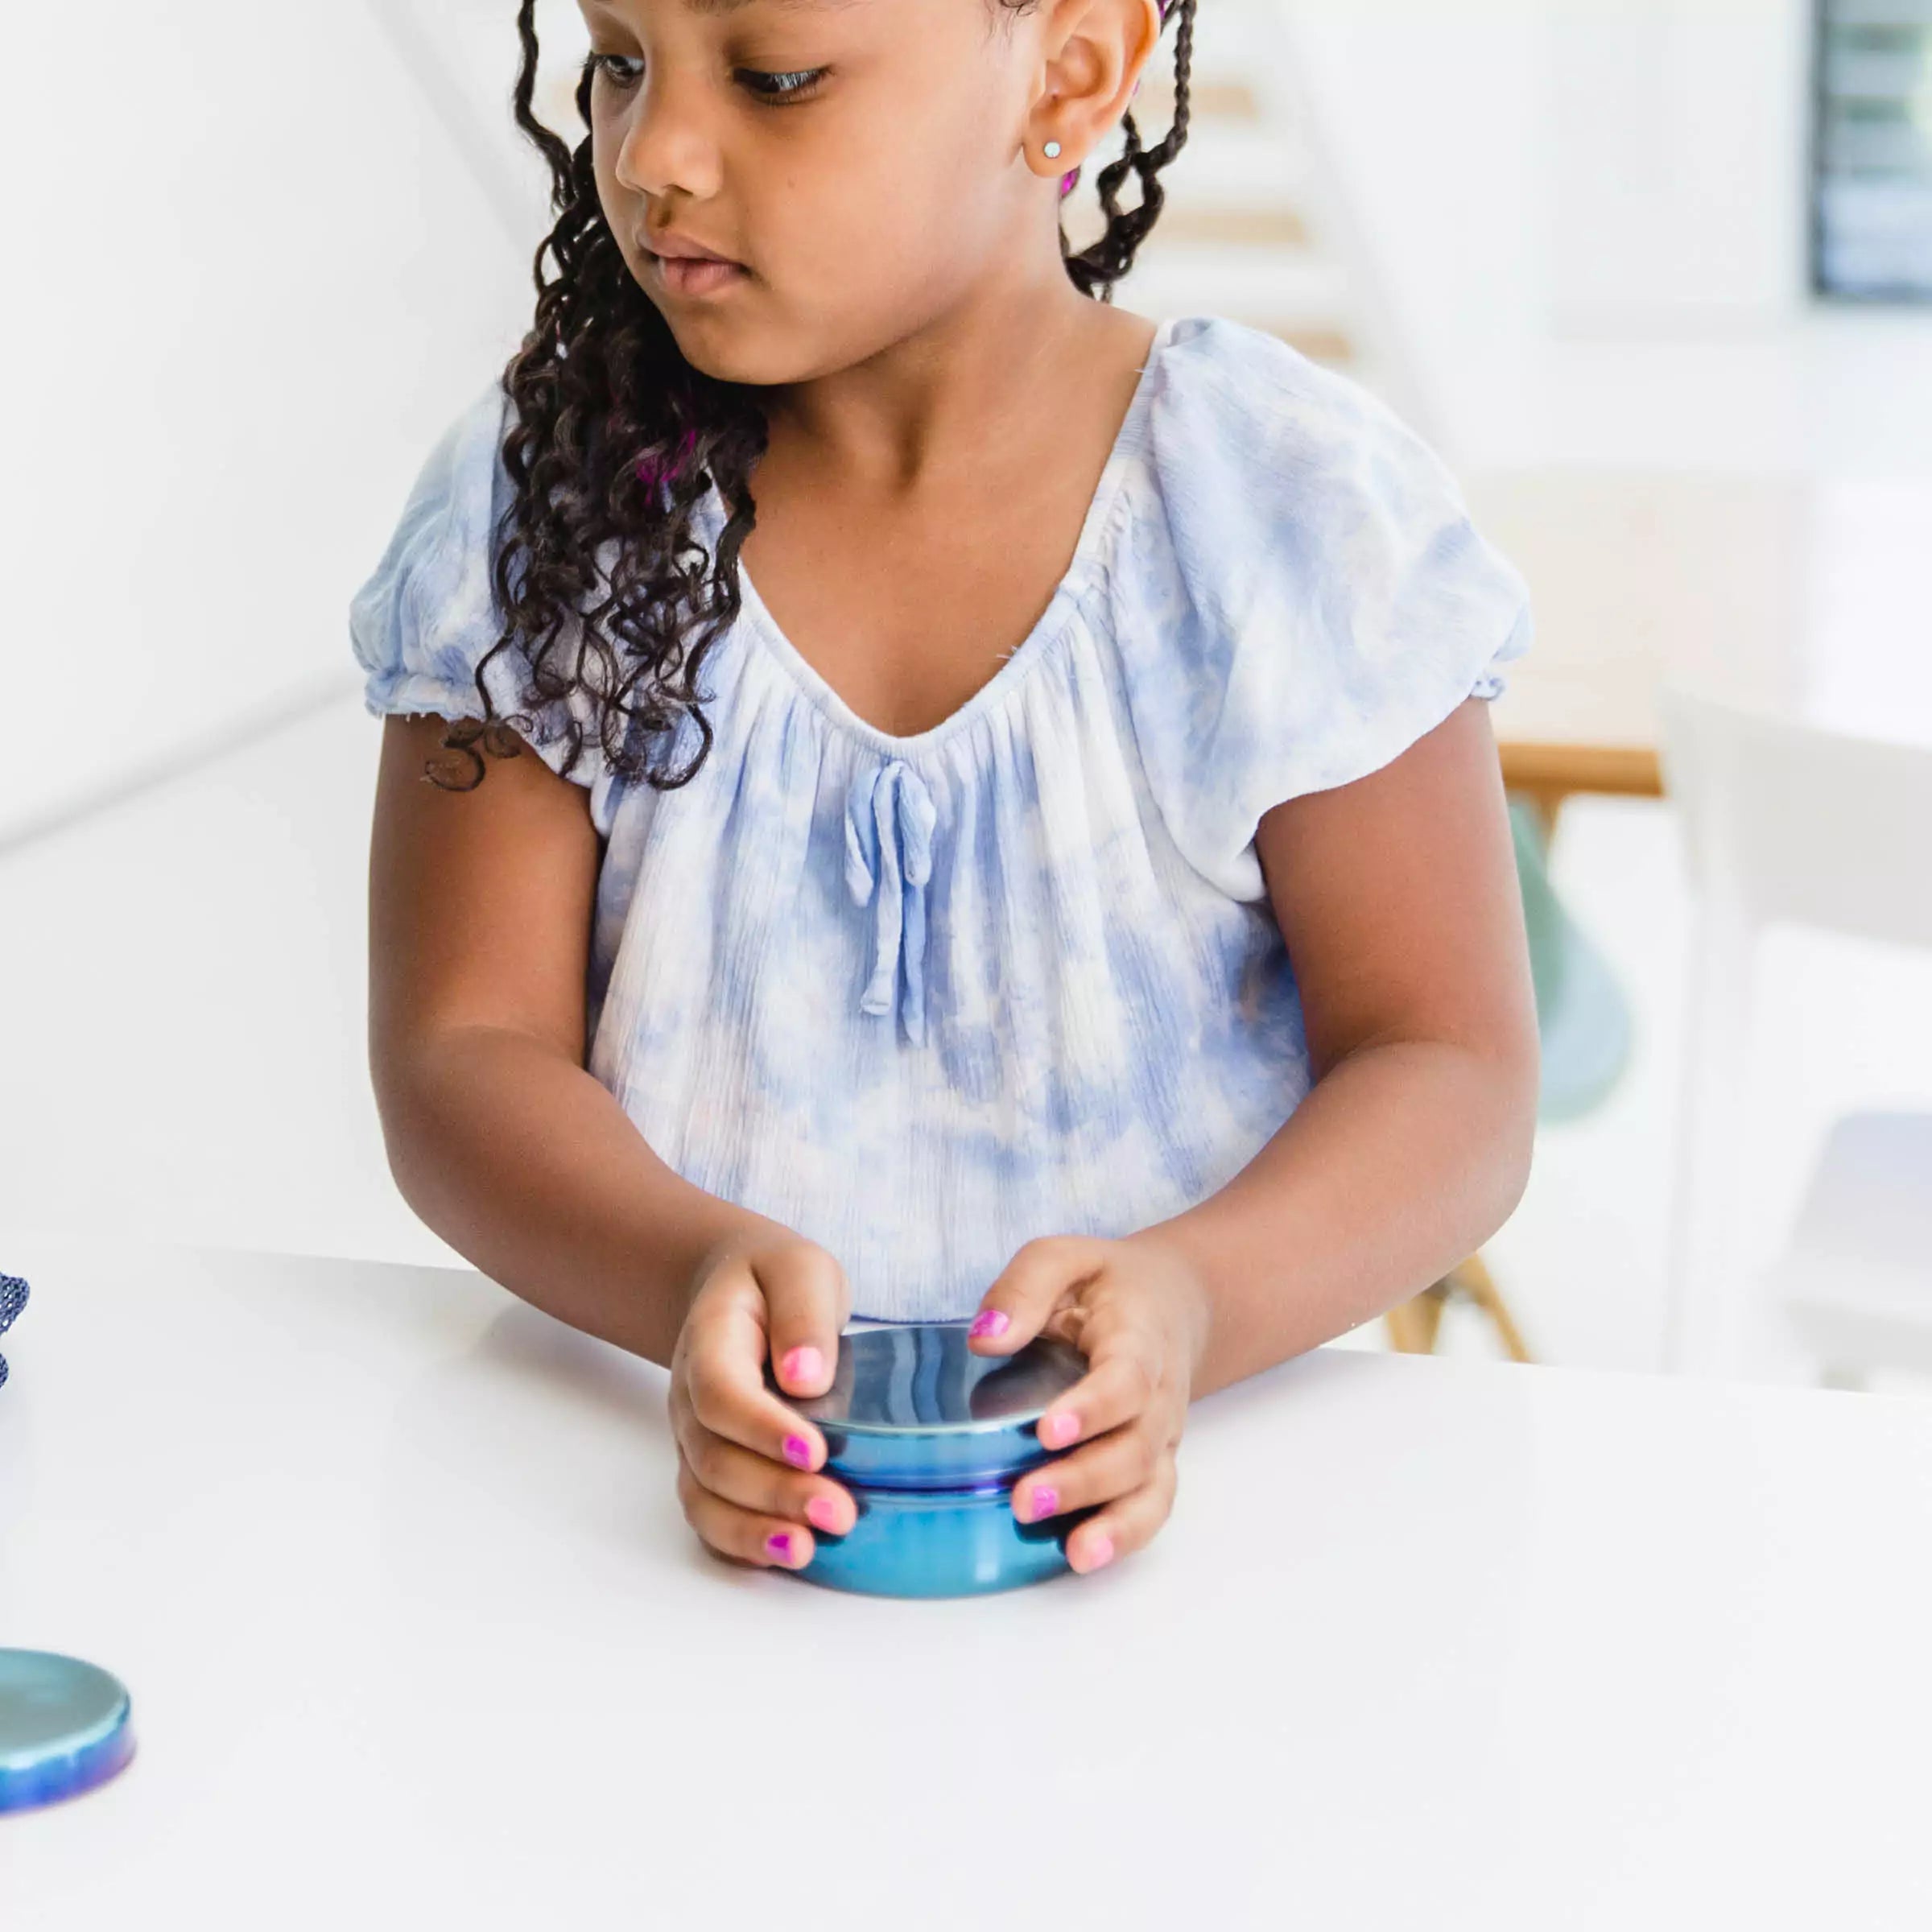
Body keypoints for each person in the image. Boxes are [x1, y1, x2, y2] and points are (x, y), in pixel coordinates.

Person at [351, 0, 1539, 1583]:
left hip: (1200, 1579)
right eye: (621, 60)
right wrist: (684, 1269)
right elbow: (461, 1051)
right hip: (645, 1579)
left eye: (776, 79)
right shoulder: (550, 506)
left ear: (1068, 71)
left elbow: (1449, 1067)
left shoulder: (1287, 511)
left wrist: (1193, 1299)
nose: (654, 157)